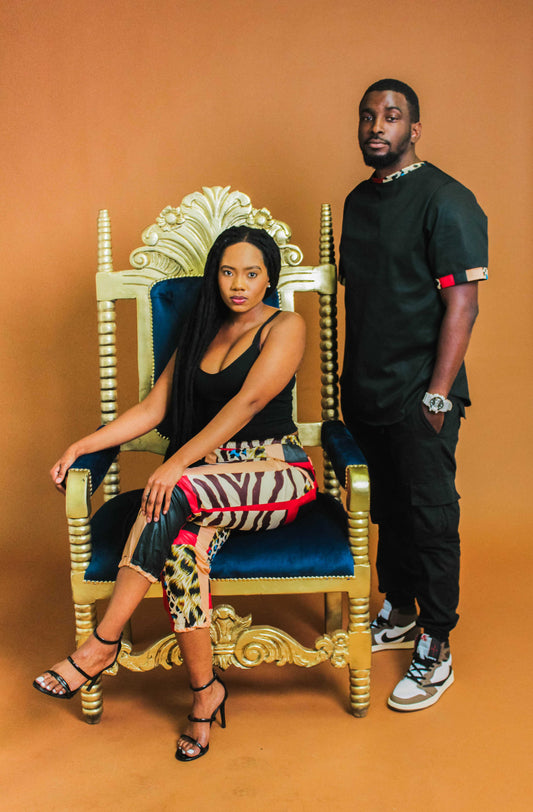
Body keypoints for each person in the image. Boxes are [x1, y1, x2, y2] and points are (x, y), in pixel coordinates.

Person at [33, 226, 317, 759]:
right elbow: (152, 409)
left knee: (171, 490)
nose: (238, 284)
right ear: (215, 275)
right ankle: (206, 694)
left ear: (268, 278)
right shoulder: (202, 331)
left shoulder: (286, 325)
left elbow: (249, 403)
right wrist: (81, 445)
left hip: (275, 473)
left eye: (251, 273)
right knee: (181, 555)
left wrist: (177, 462)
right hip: (206, 482)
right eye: (228, 272)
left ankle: (101, 644)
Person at [339, 79, 488, 712]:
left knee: (430, 516)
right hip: (366, 391)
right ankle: (400, 611)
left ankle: (436, 643)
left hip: (422, 393)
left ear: (414, 129)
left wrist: (437, 396)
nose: (378, 126)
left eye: (392, 116)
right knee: (390, 512)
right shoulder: (357, 202)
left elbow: (463, 305)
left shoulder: (447, 200)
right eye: (368, 116)